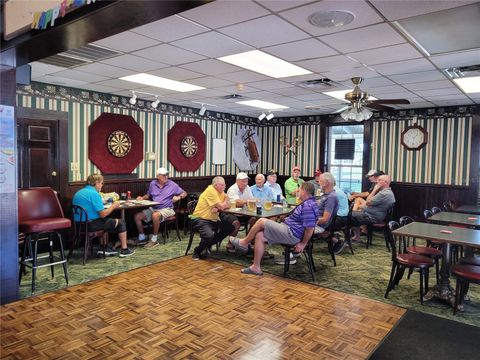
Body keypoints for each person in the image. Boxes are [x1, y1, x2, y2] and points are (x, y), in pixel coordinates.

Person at [230, 182, 320, 275]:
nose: (298, 191)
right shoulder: (308, 203)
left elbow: (310, 227)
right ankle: (255, 267)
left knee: (262, 221)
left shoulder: (308, 206)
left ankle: (244, 242)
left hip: (292, 234)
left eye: (299, 190)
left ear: (304, 192)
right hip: (288, 230)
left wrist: (303, 244)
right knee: (260, 235)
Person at [72, 174, 135, 257]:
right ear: (97, 183)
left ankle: (104, 247)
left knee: (105, 221)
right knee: (121, 222)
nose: (102, 185)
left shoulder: (79, 192)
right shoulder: (94, 194)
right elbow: (102, 214)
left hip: (79, 225)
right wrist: (114, 206)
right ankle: (124, 250)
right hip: (90, 225)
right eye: (102, 183)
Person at [134, 167, 187, 248]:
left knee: (155, 215)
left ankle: (154, 240)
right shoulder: (153, 183)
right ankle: (142, 238)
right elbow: (149, 195)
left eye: (167, 175)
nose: (166, 177)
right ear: (158, 176)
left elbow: (184, 193)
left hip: (167, 209)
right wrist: (142, 198)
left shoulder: (172, 185)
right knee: (137, 216)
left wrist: (179, 197)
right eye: (164, 175)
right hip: (154, 208)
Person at [191, 176, 234, 260]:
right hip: (200, 218)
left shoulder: (221, 191)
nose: (225, 187)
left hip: (214, 219)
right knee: (209, 235)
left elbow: (229, 204)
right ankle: (197, 251)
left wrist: (219, 207)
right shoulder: (211, 190)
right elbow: (224, 205)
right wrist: (222, 205)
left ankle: (207, 245)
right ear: (215, 185)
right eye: (222, 185)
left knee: (230, 227)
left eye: (224, 185)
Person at [350, 174, 396, 241]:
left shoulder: (383, 194)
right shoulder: (388, 192)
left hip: (372, 217)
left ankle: (353, 236)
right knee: (354, 212)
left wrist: (374, 189)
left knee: (348, 216)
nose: (377, 181)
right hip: (377, 215)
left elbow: (367, 201)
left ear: (386, 182)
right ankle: (357, 235)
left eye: (380, 180)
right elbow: (369, 203)